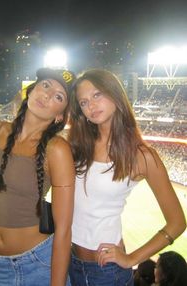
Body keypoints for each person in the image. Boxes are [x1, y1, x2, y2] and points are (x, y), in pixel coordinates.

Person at [68, 68, 186, 285]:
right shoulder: (77, 145)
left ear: (115, 94)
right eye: (83, 102)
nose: (90, 106)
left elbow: (177, 222)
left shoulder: (142, 156)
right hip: (68, 260)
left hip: (106, 272)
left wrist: (132, 258)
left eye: (97, 95)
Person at [0, 68, 76, 286]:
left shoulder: (58, 150)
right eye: (45, 85)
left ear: (60, 115)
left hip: (37, 267)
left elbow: (63, 229)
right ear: (31, 91)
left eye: (59, 96)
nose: (47, 94)